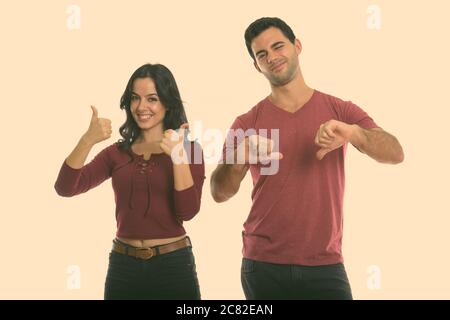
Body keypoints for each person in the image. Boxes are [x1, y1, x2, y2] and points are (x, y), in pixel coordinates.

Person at [210, 17, 404, 300]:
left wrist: (353, 133)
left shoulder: (339, 109)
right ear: (255, 65)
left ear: (297, 46)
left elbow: (396, 153)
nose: (272, 57)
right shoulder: (246, 123)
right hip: (263, 266)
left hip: (325, 264)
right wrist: (239, 157)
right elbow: (219, 192)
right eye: (261, 54)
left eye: (278, 47)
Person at [54, 63, 205, 300]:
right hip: (123, 267)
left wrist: (177, 156)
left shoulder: (190, 150)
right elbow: (65, 188)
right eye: (135, 98)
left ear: (167, 102)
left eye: (152, 99)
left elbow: (188, 211)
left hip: (173, 266)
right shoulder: (117, 153)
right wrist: (87, 140)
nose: (141, 107)